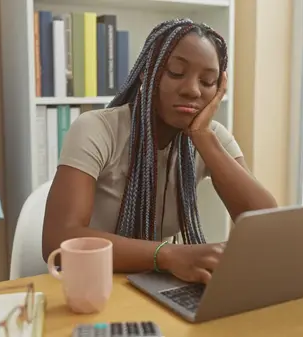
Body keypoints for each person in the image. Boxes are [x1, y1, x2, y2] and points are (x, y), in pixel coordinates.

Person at [42, 18, 277, 284]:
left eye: (208, 80)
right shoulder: (97, 129)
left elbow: (267, 226)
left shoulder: (212, 138)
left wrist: (202, 137)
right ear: (147, 72)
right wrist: (166, 255)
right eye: (176, 72)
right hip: (91, 283)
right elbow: (57, 240)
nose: (192, 90)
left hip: (157, 284)